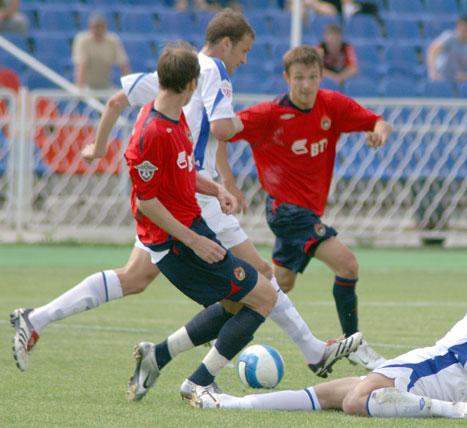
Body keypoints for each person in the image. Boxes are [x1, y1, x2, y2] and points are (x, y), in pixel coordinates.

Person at [10, 9, 360, 390]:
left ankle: (41, 320)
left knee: (135, 277)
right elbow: (223, 128)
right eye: (243, 50)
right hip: (188, 197)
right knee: (259, 276)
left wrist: (97, 146)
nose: (244, 60)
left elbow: (114, 103)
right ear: (226, 44)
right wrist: (257, 122)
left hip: (178, 183)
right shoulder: (213, 72)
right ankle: (307, 352)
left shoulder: (174, 70)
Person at [188, 197, 467, 421]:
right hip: (444, 371)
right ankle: (230, 403)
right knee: (328, 394)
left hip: (443, 367)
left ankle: (457, 411)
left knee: (356, 401)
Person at [121, 41, 279, 401]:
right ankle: (198, 383)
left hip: (193, 227)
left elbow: (182, 171)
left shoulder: (175, 117)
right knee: (263, 299)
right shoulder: (151, 133)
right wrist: (195, 241)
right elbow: (146, 202)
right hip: (176, 243)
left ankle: (158, 355)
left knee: (236, 303)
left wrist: (216, 189)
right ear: (193, 83)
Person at [220, 45, 392, 369]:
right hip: (286, 211)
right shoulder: (269, 114)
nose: (306, 85)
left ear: (321, 76)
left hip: (306, 212)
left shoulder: (332, 105)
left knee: (276, 285)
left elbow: (379, 122)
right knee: (348, 265)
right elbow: (220, 133)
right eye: (299, 78)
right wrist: (227, 182)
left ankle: (216, 326)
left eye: (313, 77)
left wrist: (378, 133)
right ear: (286, 78)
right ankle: (353, 343)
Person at [72, 13, 130, 90]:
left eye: (100, 27)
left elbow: (124, 65)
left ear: (105, 27)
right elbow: (81, 66)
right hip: (87, 86)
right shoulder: (82, 41)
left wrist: (128, 88)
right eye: (95, 27)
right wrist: (80, 90)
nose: (98, 30)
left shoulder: (113, 40)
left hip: (106, 85)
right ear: (90, 27)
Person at [426, 15, 467, 82]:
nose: (464, 30)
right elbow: (433, 51)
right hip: (442, 75)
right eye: (462, 27)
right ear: (457, 27)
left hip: (459, 78)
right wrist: (433, 71)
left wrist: (465, 77)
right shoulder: (449, 37)